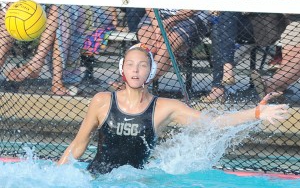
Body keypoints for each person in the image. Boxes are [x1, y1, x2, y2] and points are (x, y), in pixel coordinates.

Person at [57, 43, 288, 174]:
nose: (136, 70)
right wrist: (54, 178)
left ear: (152, 70)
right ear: (122, 70)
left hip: (135, 181)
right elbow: (78, 146)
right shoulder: (102, 100)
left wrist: (255, 113)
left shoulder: (166, 108)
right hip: (95, 178)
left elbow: (211, 123)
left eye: (142, 65)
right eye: (130, 65)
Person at [2, 0, 112, 95]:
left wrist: (113, 20)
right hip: (69, 6)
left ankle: (39, 66)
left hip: (96, 7)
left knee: (60, 11)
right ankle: (52, 78)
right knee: (57, 10)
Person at [201, 0, 287, 103]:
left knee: (222, 24)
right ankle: (225, 72)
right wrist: (216, 8)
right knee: (220, 26)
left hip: (261, 23)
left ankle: (218, 86)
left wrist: (230, 8)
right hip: (231, 23)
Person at [136, 0, 219, 79]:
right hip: (158, 12)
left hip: (194, 15)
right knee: (146, 40)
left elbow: (198, 2)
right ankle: (135, 82)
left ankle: (139, 83)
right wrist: (157, 25)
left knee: (167, 44)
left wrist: (171, 21)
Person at [251, 0, 300, 99]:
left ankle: (271, 85)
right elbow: (286, 5)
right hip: (297, 23)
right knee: (292, 57)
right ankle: (274, 87)